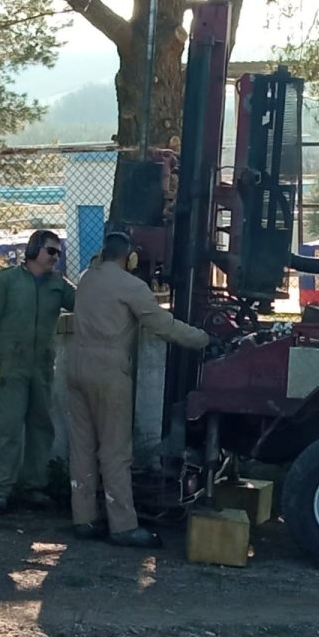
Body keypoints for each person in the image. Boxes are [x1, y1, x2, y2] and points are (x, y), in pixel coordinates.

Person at [66, 231, 210, 548]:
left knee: (82, 447)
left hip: (74, 364)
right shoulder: (131, 286)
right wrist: (202, 338)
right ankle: (123, 526)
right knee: (115, 451)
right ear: (129, 258)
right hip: (108, 370)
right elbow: (163, 325)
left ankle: (84, 519)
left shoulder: (87, 277)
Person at [0, 229, 76, 515]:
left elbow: (84, 305)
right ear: (34, 251)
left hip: (42, 366)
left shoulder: (58, 286)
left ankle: (34, 487)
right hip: (11, 365)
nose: (56, 257)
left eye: (58, 252)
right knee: (9, 428)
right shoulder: (6, 281)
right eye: (51, 251)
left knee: (41, 427)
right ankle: (1, 491)